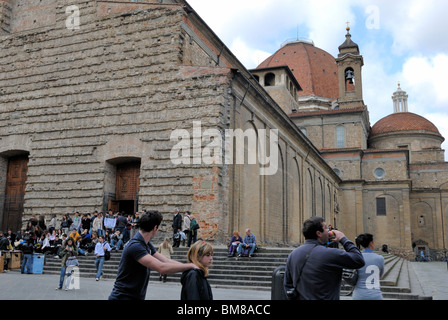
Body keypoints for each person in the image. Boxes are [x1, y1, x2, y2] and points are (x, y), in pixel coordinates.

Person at [108, 210, 199, 300]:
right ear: (155, 228)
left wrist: (189, 266)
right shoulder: (135, 246)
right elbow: (161, 268)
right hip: (122, 297)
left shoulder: (146, 243)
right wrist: (190, 265)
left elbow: (166, 260)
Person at [284, 216, 365, 300]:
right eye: (326, 228)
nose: (329, 231)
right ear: (319, 233)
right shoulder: (330, 253)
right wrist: (343, 239)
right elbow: (358, 259)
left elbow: (287, 285)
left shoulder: (293, 255)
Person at [352, 233, 384, 300]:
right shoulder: (380, 258)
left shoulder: (357, 257)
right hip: (375, 295)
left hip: (359, 295)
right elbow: (379, 276)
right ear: (371, 243)